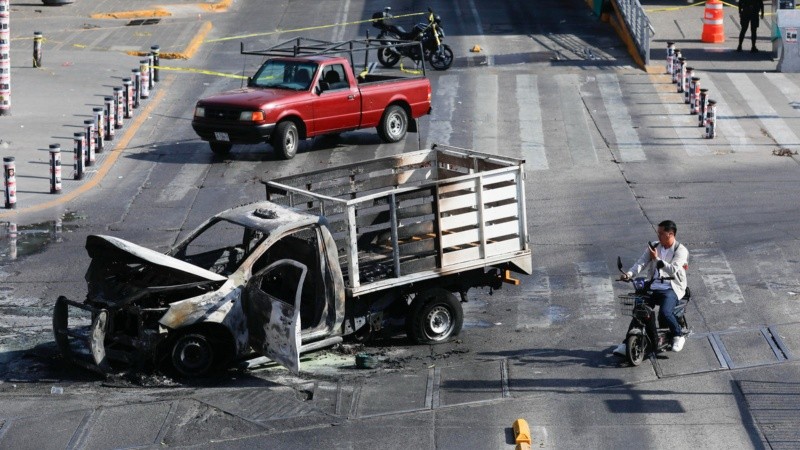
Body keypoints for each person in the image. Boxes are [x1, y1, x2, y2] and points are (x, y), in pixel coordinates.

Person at [613, 220, 689, 356]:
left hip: (671, 288)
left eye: (661, 233)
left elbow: (672, 269)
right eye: (658, 232)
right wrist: (629, 274)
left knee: (666, 312)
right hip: (653, 286)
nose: (658, 235)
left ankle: (678, 335)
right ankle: (626, 344)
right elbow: (641, 263)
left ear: (670, 234)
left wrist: (657, 259)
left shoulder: (681, 250)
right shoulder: (654, 246)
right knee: (639, 311)